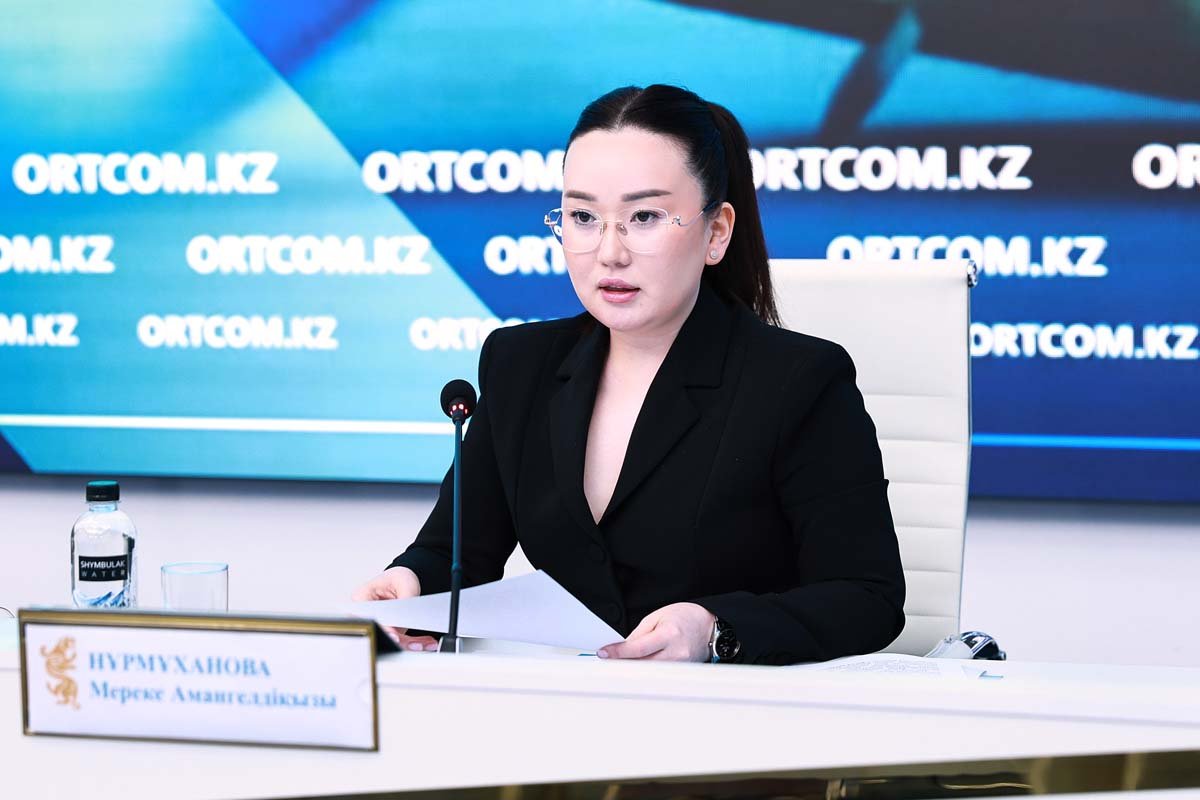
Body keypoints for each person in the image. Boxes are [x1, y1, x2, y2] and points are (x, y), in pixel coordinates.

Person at [353, 84, 905, 665]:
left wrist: (715, 631)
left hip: (732, 705)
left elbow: (867, 597)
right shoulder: (520, 365)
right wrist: (410, 583)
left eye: (644, 217)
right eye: (583, 217)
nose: (609, 252)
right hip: (566, 702)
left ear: (716, 232)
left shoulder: (799, 381)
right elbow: (457, 553)